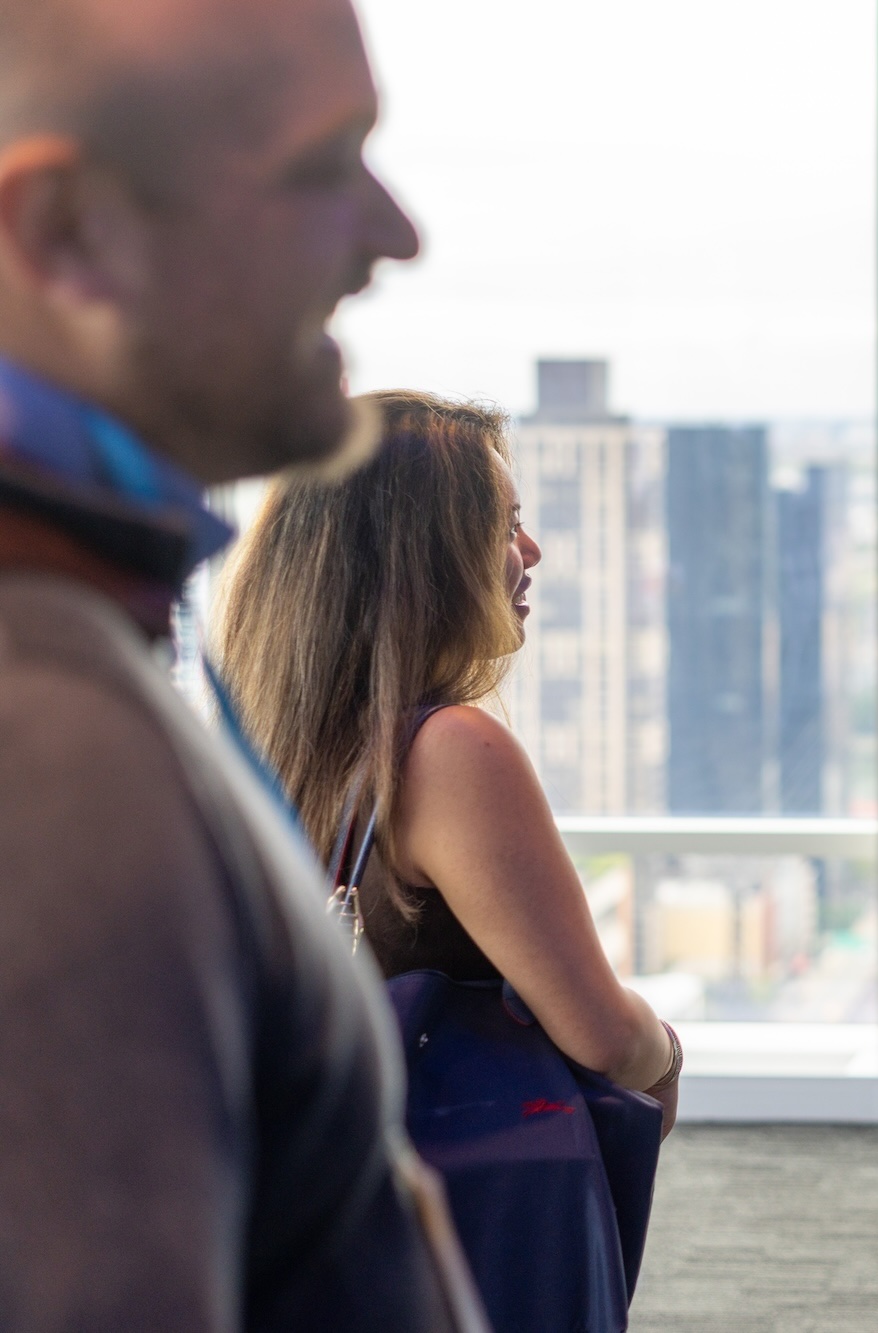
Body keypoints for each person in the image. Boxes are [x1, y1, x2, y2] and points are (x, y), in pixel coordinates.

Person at [0, 0, 467, 1330]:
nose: (395, 235)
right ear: (68, 233)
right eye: (325, 167)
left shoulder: (111, 620)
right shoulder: (48, 736)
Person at [215, 390, 683, 1327]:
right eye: (505, 523)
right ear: (423, 553)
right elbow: (604, 1036)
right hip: (459, 1258)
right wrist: (663, 1048)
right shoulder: (447, 752)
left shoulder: (263, 750)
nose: (532, 551)